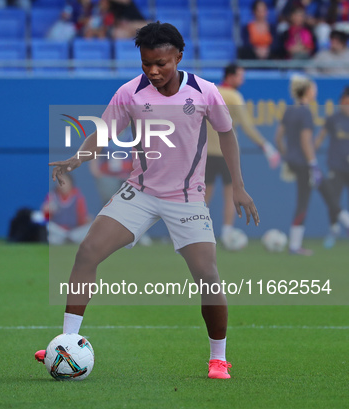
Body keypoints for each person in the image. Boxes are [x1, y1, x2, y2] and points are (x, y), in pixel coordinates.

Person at [35, 22, 260, 379]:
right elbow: (104, 133)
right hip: (138, 192)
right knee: (87, 252)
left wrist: (239, 186)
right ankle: (67, 340)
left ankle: (218, 358)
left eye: (161, 63)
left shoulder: (204, 91)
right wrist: (75, 158)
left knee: (207, 275)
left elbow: (228, 136)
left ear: (178, 57)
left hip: (186, 198)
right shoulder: (130, 92)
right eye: (145, 64)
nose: (152, 71)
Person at [205, 63, 280, 244]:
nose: (242, 79)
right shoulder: (234, 96)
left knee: (203, 196)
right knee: (232, 193)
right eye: (240, 76)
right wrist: (266, 146)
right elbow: (247, 127)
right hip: (227, 154)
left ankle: (198, 232)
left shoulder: (209, 92)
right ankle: (227, 233)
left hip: (206, 152)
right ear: (230, 76)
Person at [275, 74, 349, 255]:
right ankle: (294, 245)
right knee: (326, 200)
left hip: (296, 163)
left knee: (313, 200)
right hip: (306, 165)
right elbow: (306, 141)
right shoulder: (306, 112)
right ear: (307, 91)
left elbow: (278, 138)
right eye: (313, 88)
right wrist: (313, 164)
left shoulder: (290, 110)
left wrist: (287, 156)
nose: (316, 91)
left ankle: (294, 245)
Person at [315, 85, 349, 247]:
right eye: (345, 102)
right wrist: (310, 151)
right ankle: (334, 229)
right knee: (332, 198)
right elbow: (321, 137)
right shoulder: (333, 119)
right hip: (336, 166)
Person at [43, 173, 92, 245]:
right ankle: (66, 239)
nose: (62, 185)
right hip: (59, 231)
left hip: (74, 231)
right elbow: (46, 218)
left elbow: (82, 219)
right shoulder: (52, 196)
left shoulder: (78, 197)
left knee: (91, 226)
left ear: (71, 183)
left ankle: (69, 239)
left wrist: (86, 219)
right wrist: (46, 211)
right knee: (48, 226)